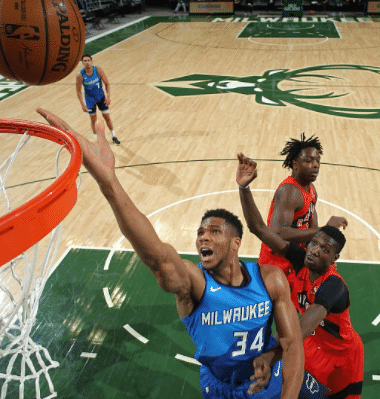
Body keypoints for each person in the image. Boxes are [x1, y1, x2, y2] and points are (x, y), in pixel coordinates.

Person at [35, 107, 305, 399]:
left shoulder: (270, 279)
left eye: (214, 231)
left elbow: (292, 344)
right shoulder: (194, 284)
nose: (203, 237)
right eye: (200, 233)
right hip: (218, 387)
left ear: (236, 243)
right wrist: (109, 183)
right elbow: (158, 256)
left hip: (266, 382)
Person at [236, 153, 364, 399]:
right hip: (313, 344)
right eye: (314, 243)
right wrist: (244, 188)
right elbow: (259, 228)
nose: (314, 250)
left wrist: (270, 357)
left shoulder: (333, 286)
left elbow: (300, 329)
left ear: (334, 259)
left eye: (324, 250)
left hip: (340, 355)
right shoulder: (301, 259)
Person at [258, 134, 347, 289]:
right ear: (295, 164)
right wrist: (325, 230)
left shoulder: (311, 189)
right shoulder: (289, 191)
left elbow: (312, 229)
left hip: (296, 258)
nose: (315, 165)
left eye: (318, 161)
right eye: (309, 161)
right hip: (276, 262)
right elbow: (277, 233)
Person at [76, 55, 120, 145]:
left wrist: (108, 97)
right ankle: (97, 141)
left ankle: (114, 136)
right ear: (82, 63)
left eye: (88, 60)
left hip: (101, 97)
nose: (87, 62)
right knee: (93, 120)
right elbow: (78, 90)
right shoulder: (80, 75)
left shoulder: (98, 70)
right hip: (90, 100)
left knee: (107, 117)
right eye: (85, 61)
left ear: (91, 61)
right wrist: (82, 104)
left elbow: (107, 83)